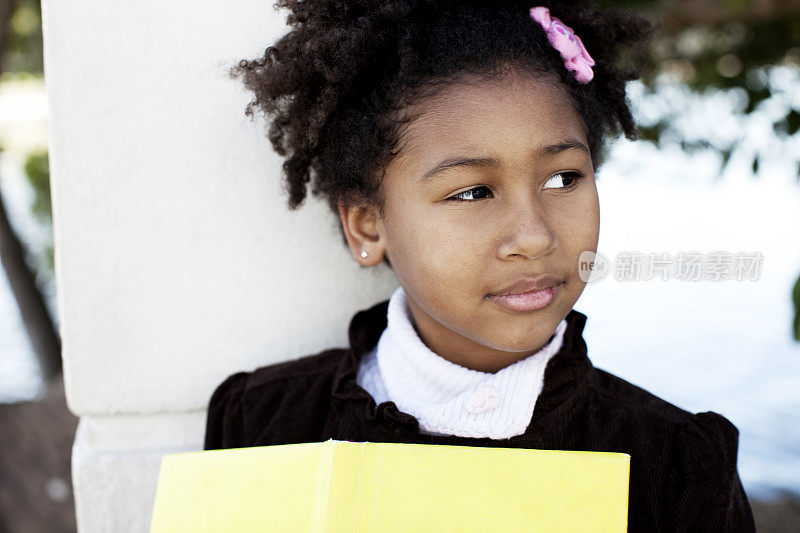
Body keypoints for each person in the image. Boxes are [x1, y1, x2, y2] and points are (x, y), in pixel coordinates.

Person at [204, 1, 757, 530]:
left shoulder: (678, 466)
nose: (534, 237)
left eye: (563, 178)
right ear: (368, 226)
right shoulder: (261, 422)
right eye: (472, 192)